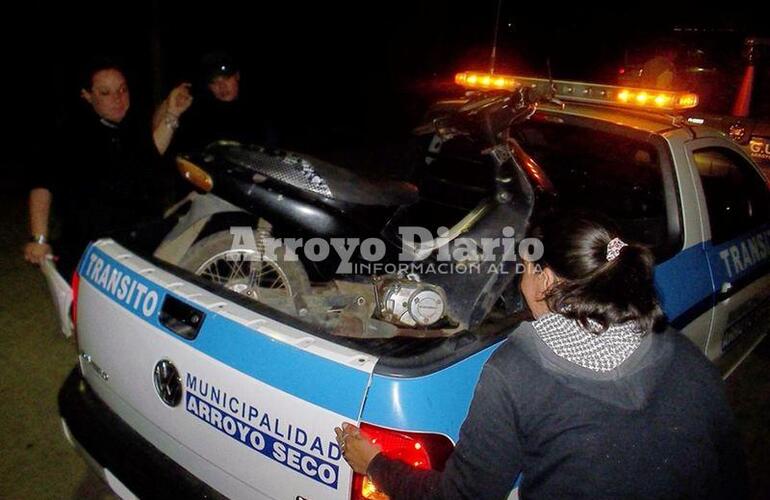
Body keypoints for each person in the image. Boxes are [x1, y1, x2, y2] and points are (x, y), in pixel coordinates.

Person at [335, 212, 747, 499]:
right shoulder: (680, 352)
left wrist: (375, 464)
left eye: (525, 268)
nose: (521, 278)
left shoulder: (518, 371)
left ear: (545, 277)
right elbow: (730, 473)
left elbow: (463, 496)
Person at [23, 57, 192, 277]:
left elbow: (149, 150)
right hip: (95, 249)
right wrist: (39, 239)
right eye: (106, 93)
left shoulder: (128, 125)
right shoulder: (68, 135)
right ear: (87, 95)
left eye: (122, 90)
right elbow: (42, 185)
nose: (118, 99)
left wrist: (171, 111)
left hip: (142, 238)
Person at [163, 51, 277, 153]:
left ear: (237, 76)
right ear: (208, 86)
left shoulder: (258, 110)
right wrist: (169, 104)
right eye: (214, 82)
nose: (222, 86)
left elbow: (271, 150)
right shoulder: (199, 114)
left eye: (226, 78)